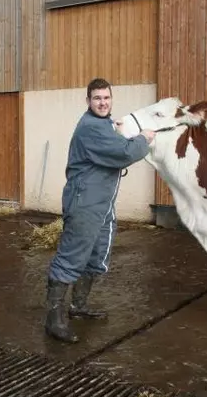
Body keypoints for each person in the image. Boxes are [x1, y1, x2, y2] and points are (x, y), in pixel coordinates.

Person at [44, 78, 156, 343]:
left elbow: (113, 138)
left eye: (106, 98)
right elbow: (126, 152)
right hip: (85, 204)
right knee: (71, 257)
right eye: (97, 98)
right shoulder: (90, 128)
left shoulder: (104, 123)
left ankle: (78, 306)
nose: (102, 103)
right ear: (88, 101)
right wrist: (144, 138)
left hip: (103, 204)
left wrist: (117, 128)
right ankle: (54, 320)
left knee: (96, 256)